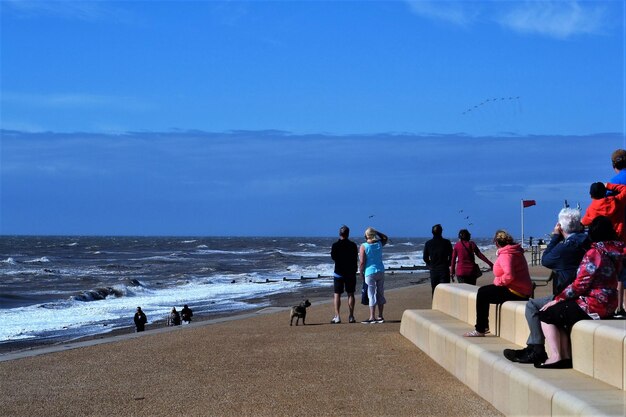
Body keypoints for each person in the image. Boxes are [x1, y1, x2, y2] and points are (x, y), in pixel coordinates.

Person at [535, 216, 625, 369]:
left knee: (546, 314)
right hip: (610, 301)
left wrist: (558, 299)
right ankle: (565, 356)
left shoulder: (595, 253)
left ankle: (557, 356)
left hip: (594, 303)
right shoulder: (617, 250)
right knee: (561, 314)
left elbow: (580, 284)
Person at [503, 208, 590, 364]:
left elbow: (546, 259)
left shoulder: (566, 248)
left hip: (569, 295)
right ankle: (533, 348)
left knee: (532, 306)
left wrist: (556, 236)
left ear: (560, 226)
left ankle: (536, 349)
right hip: (583, 292)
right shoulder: (587, 242)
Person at [464, 230, 533, 337]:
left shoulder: (507, 255)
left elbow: (510, 275)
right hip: (520, 288)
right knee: (484, 291)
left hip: (516, 291)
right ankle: (483, 326)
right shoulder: (515, 251)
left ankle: (481, 329)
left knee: (482, 293)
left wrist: (498, 281)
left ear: (496, 243)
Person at [609, 149, 626, 316]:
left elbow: (606, 207)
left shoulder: (614, 181)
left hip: (620, 233)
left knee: (620, 274)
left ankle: (619, 307)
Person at [359, 227, 388, 324]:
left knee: (371, 294)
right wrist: (377, 232)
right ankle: (380, 316)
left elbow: (362, 262)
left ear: (366, 236)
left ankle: (372, 317)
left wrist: (361, 272)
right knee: (380, 292)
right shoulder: (379, 244)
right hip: (380, 270)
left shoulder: (364, 246)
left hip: (369, 272)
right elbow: (385, 238)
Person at [330, 225, 359, 324]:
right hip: (350, 272)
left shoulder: (335, 245)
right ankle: (351, 316)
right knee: (350, 294)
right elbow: (355, 257)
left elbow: (333, 257)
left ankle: (337, 316)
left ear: (340, 233)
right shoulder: (353, 245)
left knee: (337, 294)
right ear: (348, 234)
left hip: (339, 272)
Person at [423, 224, 453, 295]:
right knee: (445, 291)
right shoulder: (447, 242)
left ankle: (435, 305)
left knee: (435, 290)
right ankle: (445, 305)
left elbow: (425, 258)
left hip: (434, 269)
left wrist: (430, 264)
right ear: (441, 232)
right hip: (444, 269)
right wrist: (448, 263)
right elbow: (452, 255)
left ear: (432, 232)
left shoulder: (428, 243)